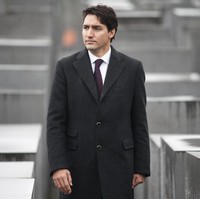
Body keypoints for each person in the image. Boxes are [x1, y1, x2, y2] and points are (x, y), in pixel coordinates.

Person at [47, 4, 150, 199]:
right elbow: (55, 122)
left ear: (112, 32)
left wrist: (141, 166)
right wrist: (58, 165)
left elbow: (139, 121)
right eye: (86, 28)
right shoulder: (65, 68)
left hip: (120, 168)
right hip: (76, 170)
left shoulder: (132, 68)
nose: (89, 33)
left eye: (97, 28)